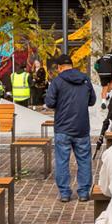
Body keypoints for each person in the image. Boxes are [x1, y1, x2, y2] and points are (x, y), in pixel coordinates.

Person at [44, 53, 96, 202]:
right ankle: (84, 192)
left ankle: (65, 193)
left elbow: (49, 102)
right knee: (84, 160)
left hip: (62, 128)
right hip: (82, 127)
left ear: (60, 67)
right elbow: (92, 101)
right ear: (72, 65)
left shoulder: (57, 81)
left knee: (62, 161)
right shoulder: (85, 79)